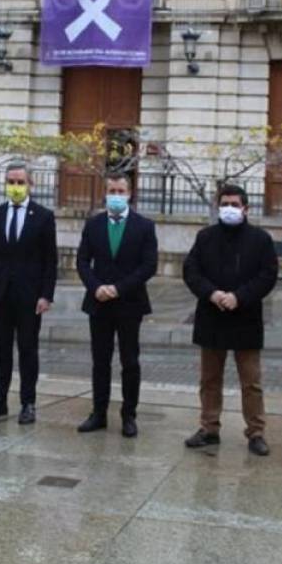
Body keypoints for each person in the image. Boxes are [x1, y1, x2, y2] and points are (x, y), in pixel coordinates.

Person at [182, 184, 279, 456]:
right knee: (209, 379)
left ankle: (256, 432)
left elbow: (267, 275)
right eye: (225, 203)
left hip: (245, 317)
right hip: (212, 316)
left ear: (246, 208)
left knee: (251, 381)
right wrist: (211, 293)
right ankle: (209, 427)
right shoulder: (205, 237)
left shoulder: (260, 240)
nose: (229, 209)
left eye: (235, 204)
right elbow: (191, 271)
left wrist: (239, 296)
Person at [75, 172, 158, 438]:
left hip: (129, 303)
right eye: (112, 190)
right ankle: (98, 413)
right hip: (99, 302)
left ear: (130, 193)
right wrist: (96, 286)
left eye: (121, 191)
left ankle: (129, 415)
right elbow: (82, 261)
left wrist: (118, 288)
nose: (116, 196)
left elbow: (148, 266)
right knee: (100, 360)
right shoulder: (94, 224)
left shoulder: (144, 226)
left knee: (129, 361)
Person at [0, 163, 58, 425]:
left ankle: (28, 403)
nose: (15, 187)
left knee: (27, 350)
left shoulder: (44, 216)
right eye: (11, 181)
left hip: (29, 297)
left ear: (30, 184)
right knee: (0, 351)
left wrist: (46, 295)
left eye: (20, 182)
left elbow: (50, 260)